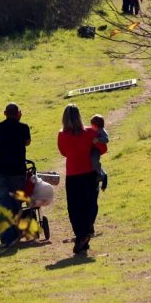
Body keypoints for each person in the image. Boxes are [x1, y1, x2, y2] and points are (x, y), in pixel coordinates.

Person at [57, 103, 101, 255]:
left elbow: (63, 152)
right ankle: (86, 232)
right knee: (90, 204)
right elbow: (103, 148)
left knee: (75, 207)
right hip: (89, 173)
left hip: (73, 174)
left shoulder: (62, 135)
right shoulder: (89, 132)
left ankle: (81, 236)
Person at [0, 103, 32, 247]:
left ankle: (7, 239)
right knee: (16, 203)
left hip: (1, 171)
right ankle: (17, 235)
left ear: (4, 113)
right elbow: (27, 142)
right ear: (18, 113)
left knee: (4, 204)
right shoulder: (23, 128)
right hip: (18, 171)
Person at [88, 113, 110, 192]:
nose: (91, 126)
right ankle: (102, 173)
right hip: (93, 148)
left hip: (97, 149)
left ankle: (100, 175)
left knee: (94, 160)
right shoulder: (93, 130)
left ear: (96, 125)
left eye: (92, 125)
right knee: (90, 161)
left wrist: (98, 140)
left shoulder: (101, 131)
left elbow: (106, 139)